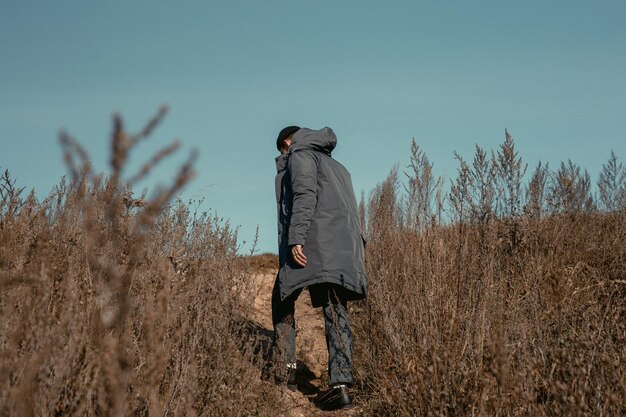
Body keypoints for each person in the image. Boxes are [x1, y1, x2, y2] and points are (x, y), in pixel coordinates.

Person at [264, 125, 367, 411]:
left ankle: (285, 373)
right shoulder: (337, 166)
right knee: (336, 308)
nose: (283, 156)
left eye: (282, 151)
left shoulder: (299, 155)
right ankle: (341, 386)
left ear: (287, 142)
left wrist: (296, 238)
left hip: (314, 244)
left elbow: (304, 195)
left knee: (281, 298)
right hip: (343, 247)